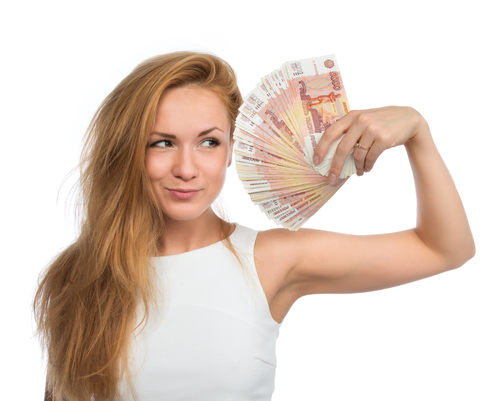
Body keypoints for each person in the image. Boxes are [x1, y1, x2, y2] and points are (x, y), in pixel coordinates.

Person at [33, 51, 475, 401]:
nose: (186, 168)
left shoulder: (270, 259)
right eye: (162, 143)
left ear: (232, 150)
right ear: (129, 150)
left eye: (209, 142)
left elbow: (445, 249)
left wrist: (418, 132)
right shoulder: (77, 275)